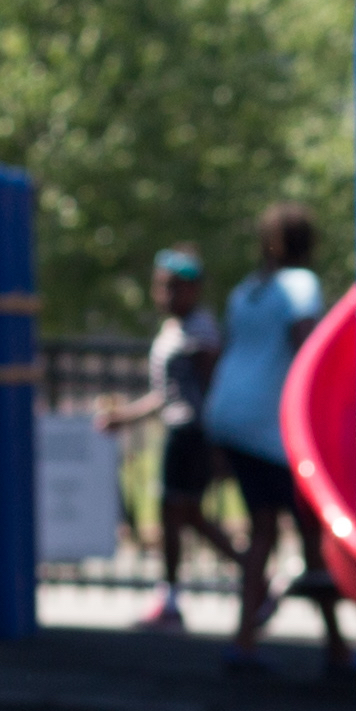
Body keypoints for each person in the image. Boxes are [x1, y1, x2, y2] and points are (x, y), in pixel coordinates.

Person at [200, 202, 344, 676]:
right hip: (270, 424)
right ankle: (335, 647)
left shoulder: (247, 290)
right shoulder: (300, 285)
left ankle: (247, 639)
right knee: (310, 534)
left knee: (263, 528)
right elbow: (306, 343)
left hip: (230, 414)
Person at [110, 248, 228, 634]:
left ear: (194, 289)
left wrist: (216, 445)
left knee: (180, 513)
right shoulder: (173, 329)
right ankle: (175, 596)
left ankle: (249, 576)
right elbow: (164, 393)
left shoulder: (200, 332)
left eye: (175, 287)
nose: (166, 295)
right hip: (178, 431)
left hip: (192, 434)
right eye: (161, 286)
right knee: (181, 515)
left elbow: (209, 390)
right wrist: (125, 417)